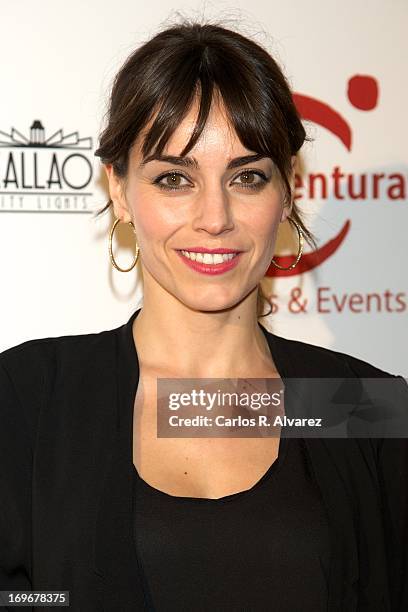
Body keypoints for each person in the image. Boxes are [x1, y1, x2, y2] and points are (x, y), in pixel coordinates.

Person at [1, 19, 407, 612]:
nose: (214, 217)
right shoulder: (29, 397)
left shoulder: (361, 403)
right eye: (174, 178)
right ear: (118, 189)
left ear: (287, 191)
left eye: (247, 177)